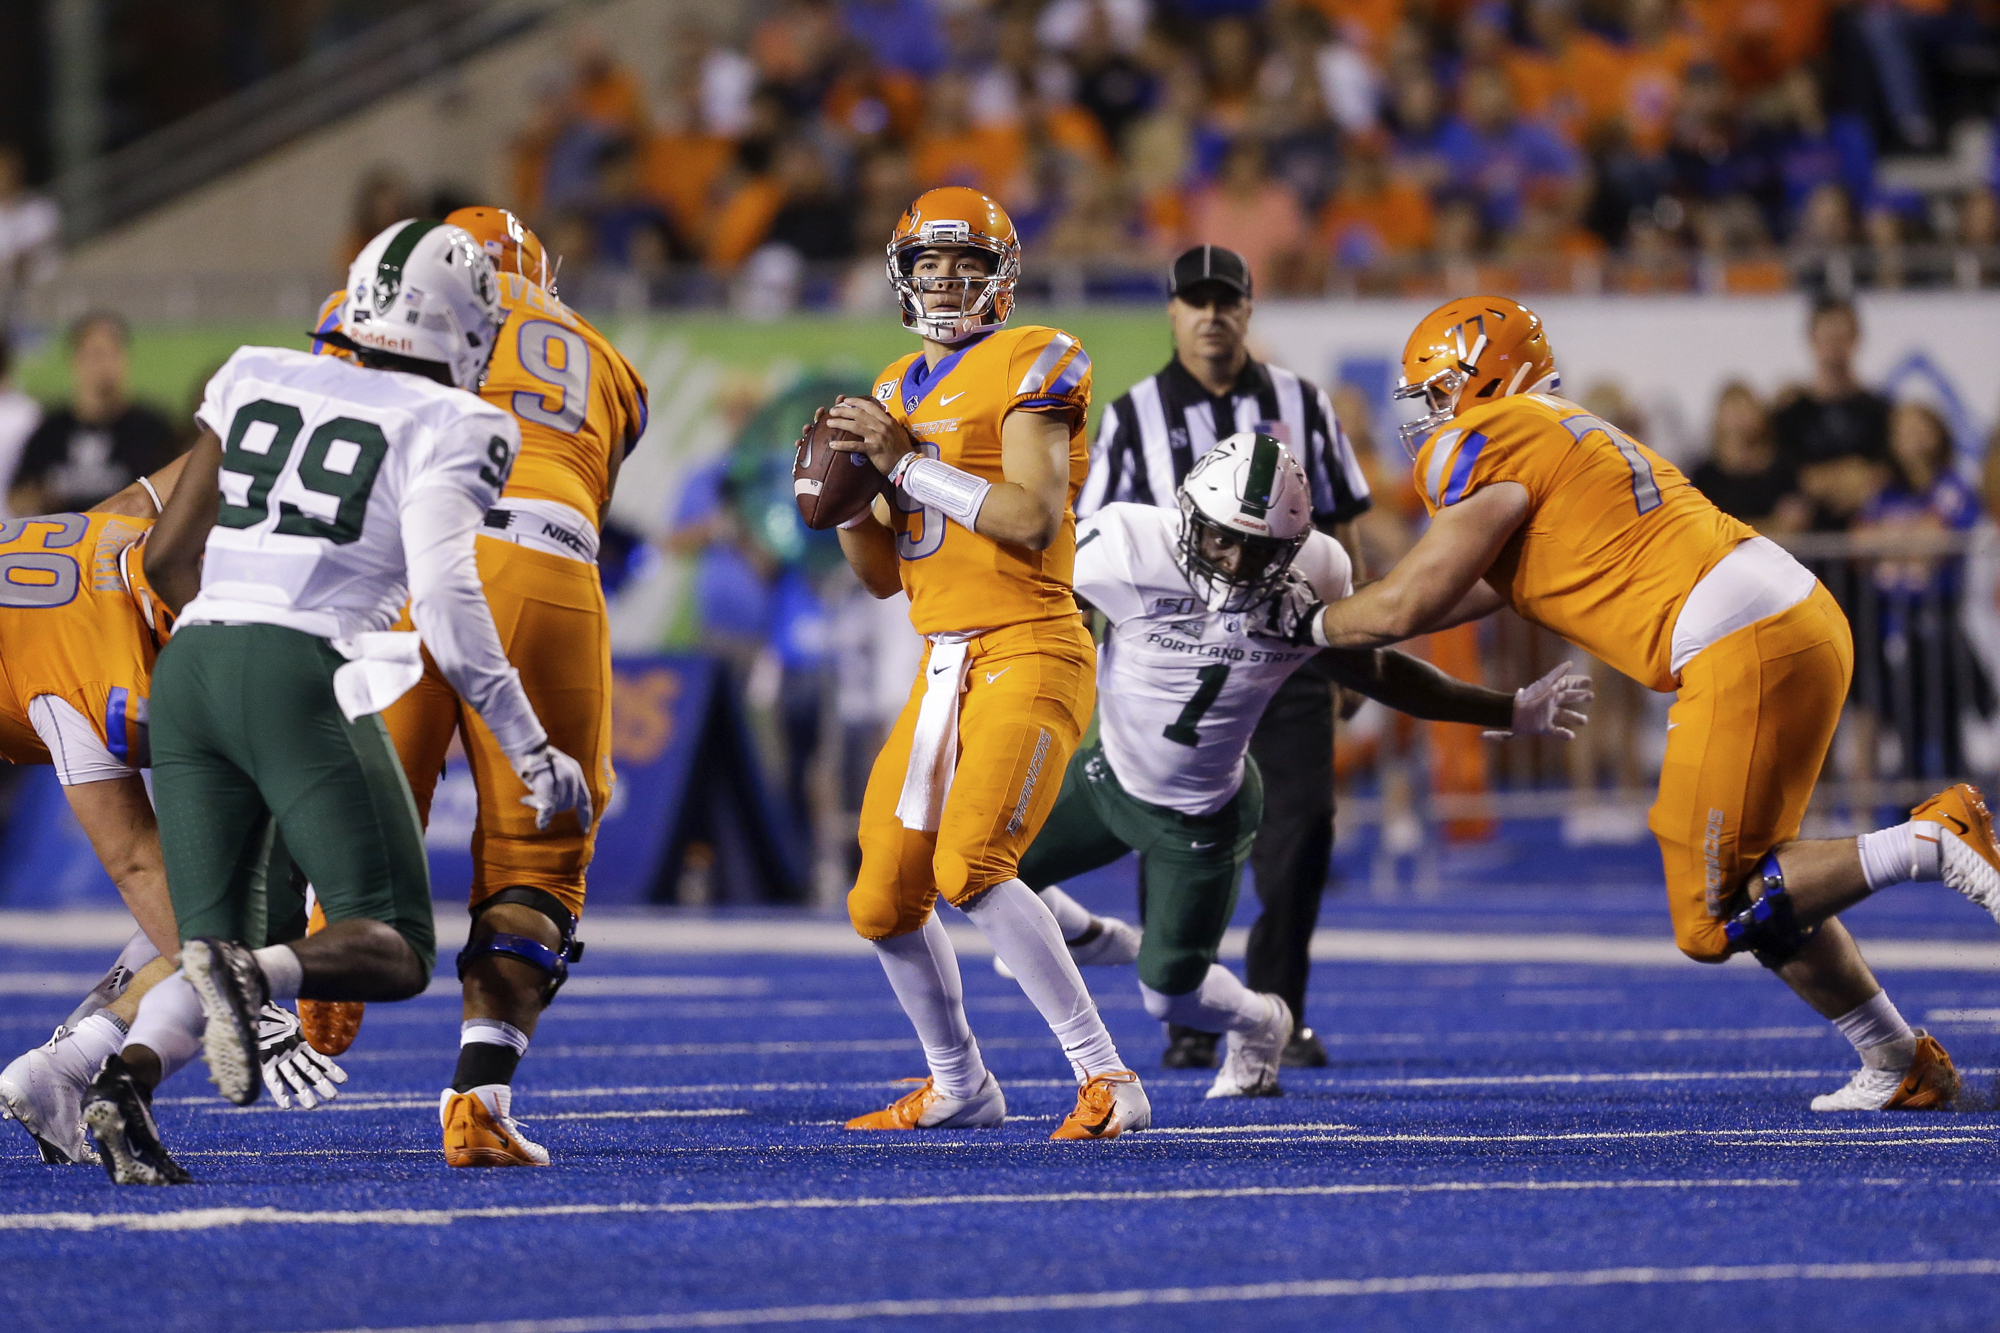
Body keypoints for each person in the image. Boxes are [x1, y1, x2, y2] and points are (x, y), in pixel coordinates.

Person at [1274, 294, 1990, 1112]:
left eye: (1438, 391)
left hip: (1741, 636)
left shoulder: (1494, 434)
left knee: (1711, 915)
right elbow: (1461, 589)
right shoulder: (1554, 429)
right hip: (1787, 615)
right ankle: (1897, 1059)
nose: (1431, 414)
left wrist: (1307, 622)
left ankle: (1932, 839)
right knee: (1759, 886)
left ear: (1484, 377)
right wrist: (1344, 619)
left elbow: (1411, 601)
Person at [81, 219, 593, 1185]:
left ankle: (123, 1084)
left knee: (214, 939)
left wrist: (219, 654)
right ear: (461, 325)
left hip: (193, 667)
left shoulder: (254, 371)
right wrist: (530, 748)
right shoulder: (462, 421)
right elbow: (449, 606)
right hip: (299, 663)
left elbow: (162, 557)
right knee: (393, 947)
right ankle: (261, 976)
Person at [1021, 431, 1589, 1097]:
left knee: (1168, 994)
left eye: (1259, 549)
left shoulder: (1315, 574)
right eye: (1221, 540)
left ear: (1291, 548)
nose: (1236, 564)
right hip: (1106, 776)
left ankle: (1264, 1019)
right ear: (1188, 517)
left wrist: (1507, 710)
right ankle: (1092, 934)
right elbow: (1032, 603)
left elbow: (1379, 673)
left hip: (1200, 817)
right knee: (982, 871)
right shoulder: (1124, 543)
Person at [308, 206, 649, 1168]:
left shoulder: (370, 307)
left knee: (367, 816)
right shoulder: (603, 356)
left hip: (406, 564)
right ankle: (478, 1095)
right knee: (538, 862)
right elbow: (592, 481)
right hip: (549, 561)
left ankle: (332, 924)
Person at [823, 185, 1149, 1139]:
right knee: (882, 898)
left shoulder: (1036, 354)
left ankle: (1107, 1075)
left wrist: (903, 463)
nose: (945, 280)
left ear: (1001, 277)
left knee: (972, 863)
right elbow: (882, 578)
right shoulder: (892, 386)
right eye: (928, 264)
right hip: (942, 662)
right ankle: (959, 1082)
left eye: (966, 264)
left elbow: (1030, 517)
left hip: (1030, 640)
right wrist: (843, 502)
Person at [0, 460, 346, 1164]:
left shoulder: (132, 529)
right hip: (58, 661)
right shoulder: (92, 679)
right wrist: (246, 1003)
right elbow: (135, 862)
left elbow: (192, 469)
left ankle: (67, 1064)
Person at [1079, 243, 1371, 1070]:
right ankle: (1190, 1012)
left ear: (1247, 309)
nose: (1211, 315)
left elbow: (1340, 522)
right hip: (1172, 656)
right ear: (1173, 311)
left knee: (1303, 829)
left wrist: (1351, 642)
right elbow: (1095, 545)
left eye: (1226, 300)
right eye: (1196, 301)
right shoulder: (1131, 414)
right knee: (1168, 822)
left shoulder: (1302, 402)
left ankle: (1279, 1007)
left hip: (1284, 646)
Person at [9, 313, 176, 517]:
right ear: (75, 359)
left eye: (112, 354)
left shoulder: (153, 430)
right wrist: (41, 497)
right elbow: (16, 499)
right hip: (66, 536)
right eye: (95, 354)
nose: (103, 365)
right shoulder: (50, 431)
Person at [1770, 297, 1892, 532]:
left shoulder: (1880, 412)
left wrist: (1832, 481)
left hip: (1867, 538)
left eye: (1842, 336)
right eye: (1828, 337)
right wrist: (1847, 476)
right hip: (1806, 543)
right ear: (1812, 339)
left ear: (1856, 339)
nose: (1835, 346)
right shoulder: (1789, 415)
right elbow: (1789, 477)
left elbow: (1884, 473)